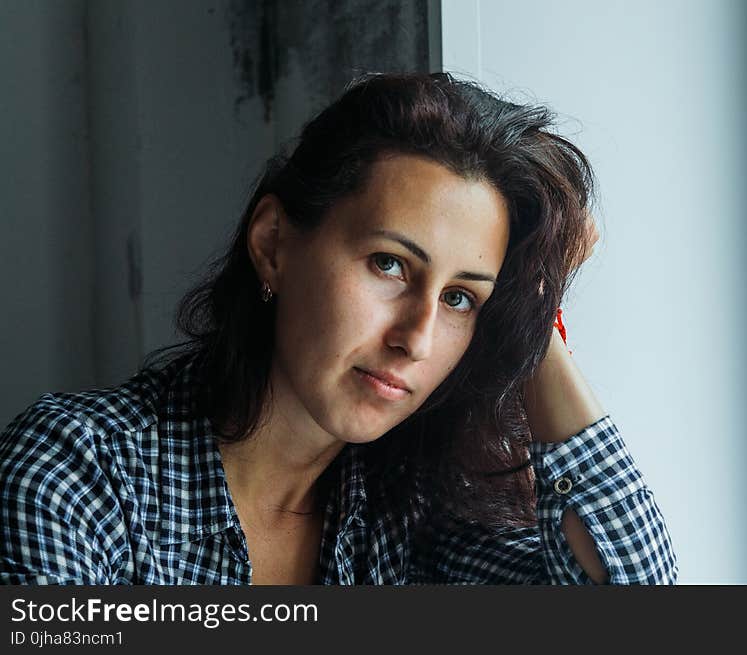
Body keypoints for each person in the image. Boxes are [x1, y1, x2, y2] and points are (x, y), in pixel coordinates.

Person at [0, 72, 677, 585]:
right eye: (390, 264)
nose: (416, 336)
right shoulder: (79, 473)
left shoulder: (411, 520)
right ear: (273, 243)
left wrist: (533, 321)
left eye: (461, 299)